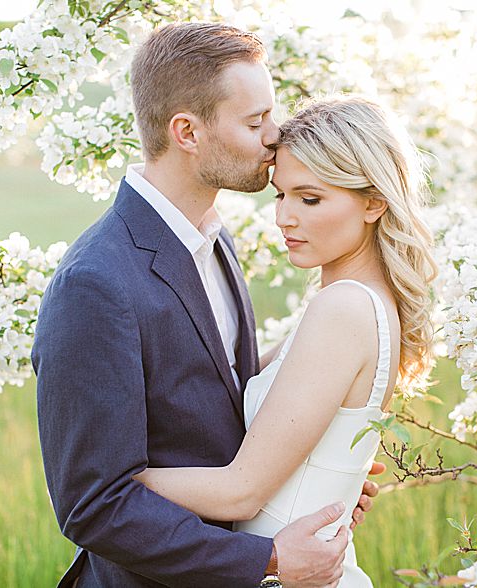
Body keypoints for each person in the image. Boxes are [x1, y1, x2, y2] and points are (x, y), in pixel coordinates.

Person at [33, 24, 381, 587]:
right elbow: (94, 506)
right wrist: (268, 559)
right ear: (187, 132)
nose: (274, 136)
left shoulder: (214, 240)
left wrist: (313, 478)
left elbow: (221, 404)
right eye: (254, 121)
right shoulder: (95, 284)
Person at [133, 94, 437, 588]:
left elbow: (240, 492)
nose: (284, 218)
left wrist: (112, 482)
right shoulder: (349, 304)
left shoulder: (344, 309)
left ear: (374, 202)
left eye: (309, 199)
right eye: (280, 195)